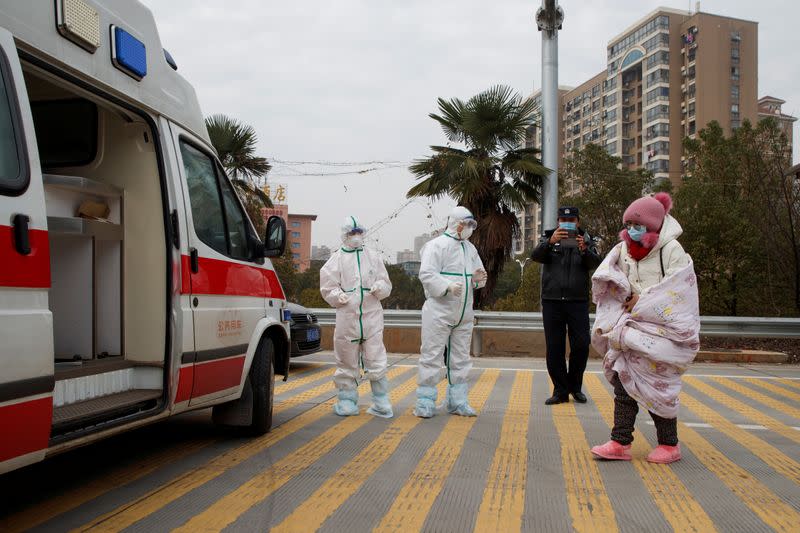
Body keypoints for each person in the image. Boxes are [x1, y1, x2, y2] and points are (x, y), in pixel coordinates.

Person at [590, 192, 699, 464]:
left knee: (658, 388)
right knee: (624, 384)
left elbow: (680, 289)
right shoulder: (623, 249)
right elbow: (615, 277)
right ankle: (620, 441)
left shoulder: (671, 250)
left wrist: (644, 301)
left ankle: (669, 444)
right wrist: (623, 296)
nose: (631, 231)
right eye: (628, 225)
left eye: (638, 226)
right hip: (630, 329)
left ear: (653, 226)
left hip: (661, 331)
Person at [414, 206, 487, 418]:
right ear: (456, 223)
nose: (470, 229)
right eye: (467, 224)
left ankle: (458, 401)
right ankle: (425, 401)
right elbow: (427, 274)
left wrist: (476, 280)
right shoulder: (436, 245)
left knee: (461, 359)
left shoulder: (470, 249)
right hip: (439, 311)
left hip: (464, 313)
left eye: (473, 225)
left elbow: (479, 276)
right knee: (432, 356)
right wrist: (446, 286)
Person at [320, 216, 393, 418]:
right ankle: (346, 401)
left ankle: (381, 401)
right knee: (346, 358)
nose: (356, 237)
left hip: (371, 316)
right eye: (352, 233)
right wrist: (337, 295)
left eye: (359, 232)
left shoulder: (373, 256)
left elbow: (386, 283)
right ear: (344, 236)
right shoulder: (337, 259)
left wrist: (380, 287)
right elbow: (327, 286)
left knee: (376, 357)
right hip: (347, 316)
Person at [531, 206, 602, 405]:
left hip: (577, 302)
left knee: (581, 345)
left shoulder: (587, 240)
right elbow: (535, 256)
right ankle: (560, 391)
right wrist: (551, 242)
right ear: (558, 222)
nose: (566, 223)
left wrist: (584, 249)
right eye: (562, 219)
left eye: (571, 220)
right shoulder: (548, 239)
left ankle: (575, 387)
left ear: (578, 222)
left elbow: (595, 263)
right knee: (555, 348)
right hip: (552, 301)